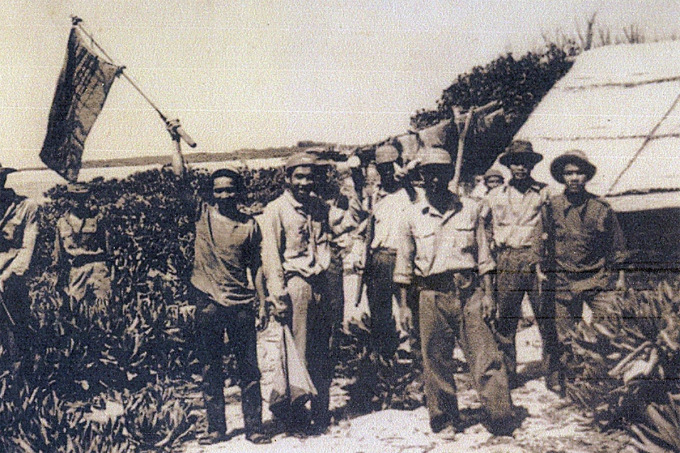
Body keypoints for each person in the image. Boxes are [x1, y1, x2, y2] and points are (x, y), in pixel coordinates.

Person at [394, 147, 514, 436]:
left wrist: (488, 295)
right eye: (429, 174)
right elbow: (403, 267)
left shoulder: (471, 209)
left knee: (486, 357)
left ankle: (499, 417)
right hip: (430, 295)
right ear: (421, 177)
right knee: (435, 361)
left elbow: (485, 258)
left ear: (449, 175)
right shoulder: (411, 217)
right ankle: (445, 419)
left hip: (469, 293)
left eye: (441, 173)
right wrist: (404, 307)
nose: (435, 180)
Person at [188, 167, 271, 445]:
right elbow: (180, 179)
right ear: (212, 193)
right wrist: (175, 141)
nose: (224, 195)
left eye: (229, 189)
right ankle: (216, 429)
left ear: (239, 191)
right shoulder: (202, 215)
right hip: (208, 302)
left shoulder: (249, 225)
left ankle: (255, 427)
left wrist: (262, 301)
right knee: (211, 368)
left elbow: (256, 266)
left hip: (241, 303)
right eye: (219, 190)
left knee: (248, 368)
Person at [533, 149, 627, 394]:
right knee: (566, 337)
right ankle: (574, 382)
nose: (574, 178)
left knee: (608, 327)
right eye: (568, 173)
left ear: (587, 176)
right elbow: (538, 240)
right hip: (563, 280)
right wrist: (539, 267)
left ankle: (604, 379)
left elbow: (616, 247)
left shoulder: (601, 208)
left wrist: (618, 280)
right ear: (562, 177)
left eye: (579, 173)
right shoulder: (550, 207)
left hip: (597, 279)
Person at [260, 151, 334, 435]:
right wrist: (278, 297)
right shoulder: (276, 209)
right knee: (297, 353)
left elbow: (327, 240)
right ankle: (294, 417)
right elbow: (271, 258)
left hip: (319, 284)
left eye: (309, 176)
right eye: (299, 177)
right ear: (288, 178)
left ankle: (321, 411)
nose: (305, 182)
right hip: (295, 285)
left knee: (322, 350)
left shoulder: (318, 206)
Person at [482, 140, 558, 389]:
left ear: (532, 165)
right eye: (516, 162)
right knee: (506, 319)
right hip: (507, 259)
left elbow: (553, 225)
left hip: (536, 259)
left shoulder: (545, 192)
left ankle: (553, 374)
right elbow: (480, 225)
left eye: (525, 163)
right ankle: (509, 374)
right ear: (508, 166)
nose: (520, 168)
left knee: (546, 317)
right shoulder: (495, 196)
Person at [364, 144, 420, 358]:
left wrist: (406, 180)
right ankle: (386, 358)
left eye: (391, 165)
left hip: (405, 258)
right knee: (380, 312)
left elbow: (416, 200)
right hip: (380, 258)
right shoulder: (375, 195)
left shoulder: (412, 193)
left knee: (411, 310)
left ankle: (418, 358)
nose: (387, 171)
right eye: (383, 167)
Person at [54, 182, 111, 318]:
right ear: (68, 199)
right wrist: (59, 281)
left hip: (98, 269)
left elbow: (107, 249)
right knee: (77, 312)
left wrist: (106, 270)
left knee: (103, 311)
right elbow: (59, 255)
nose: (78, 202)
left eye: (82, 198)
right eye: (74, 197)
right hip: (76, 270)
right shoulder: (62, 223)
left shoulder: (96, 219)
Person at [0, 164, 38, 365]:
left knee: (16, 333)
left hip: (11, 281)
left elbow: (26, 248)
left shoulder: (26, 207)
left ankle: (20, 382)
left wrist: (8, 275)